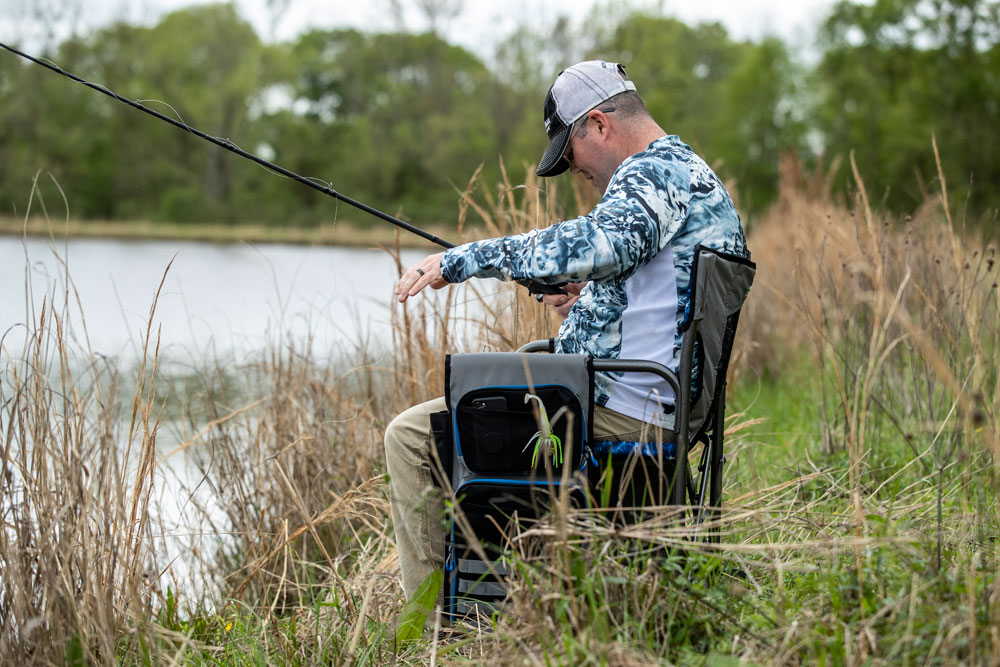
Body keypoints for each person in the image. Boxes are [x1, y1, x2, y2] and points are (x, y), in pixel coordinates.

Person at [384, 60, 749, 599]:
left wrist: (462, 259)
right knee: (476, 398)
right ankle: (505, 597)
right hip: (646, 401)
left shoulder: (654, 173)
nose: (577, 171)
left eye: (571, 153)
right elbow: (658, 289)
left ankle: (433, 625)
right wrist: (592, 297)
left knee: (411, 438)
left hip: (618, 413)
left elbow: (601, 244)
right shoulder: (689, 174)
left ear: (599, 124)